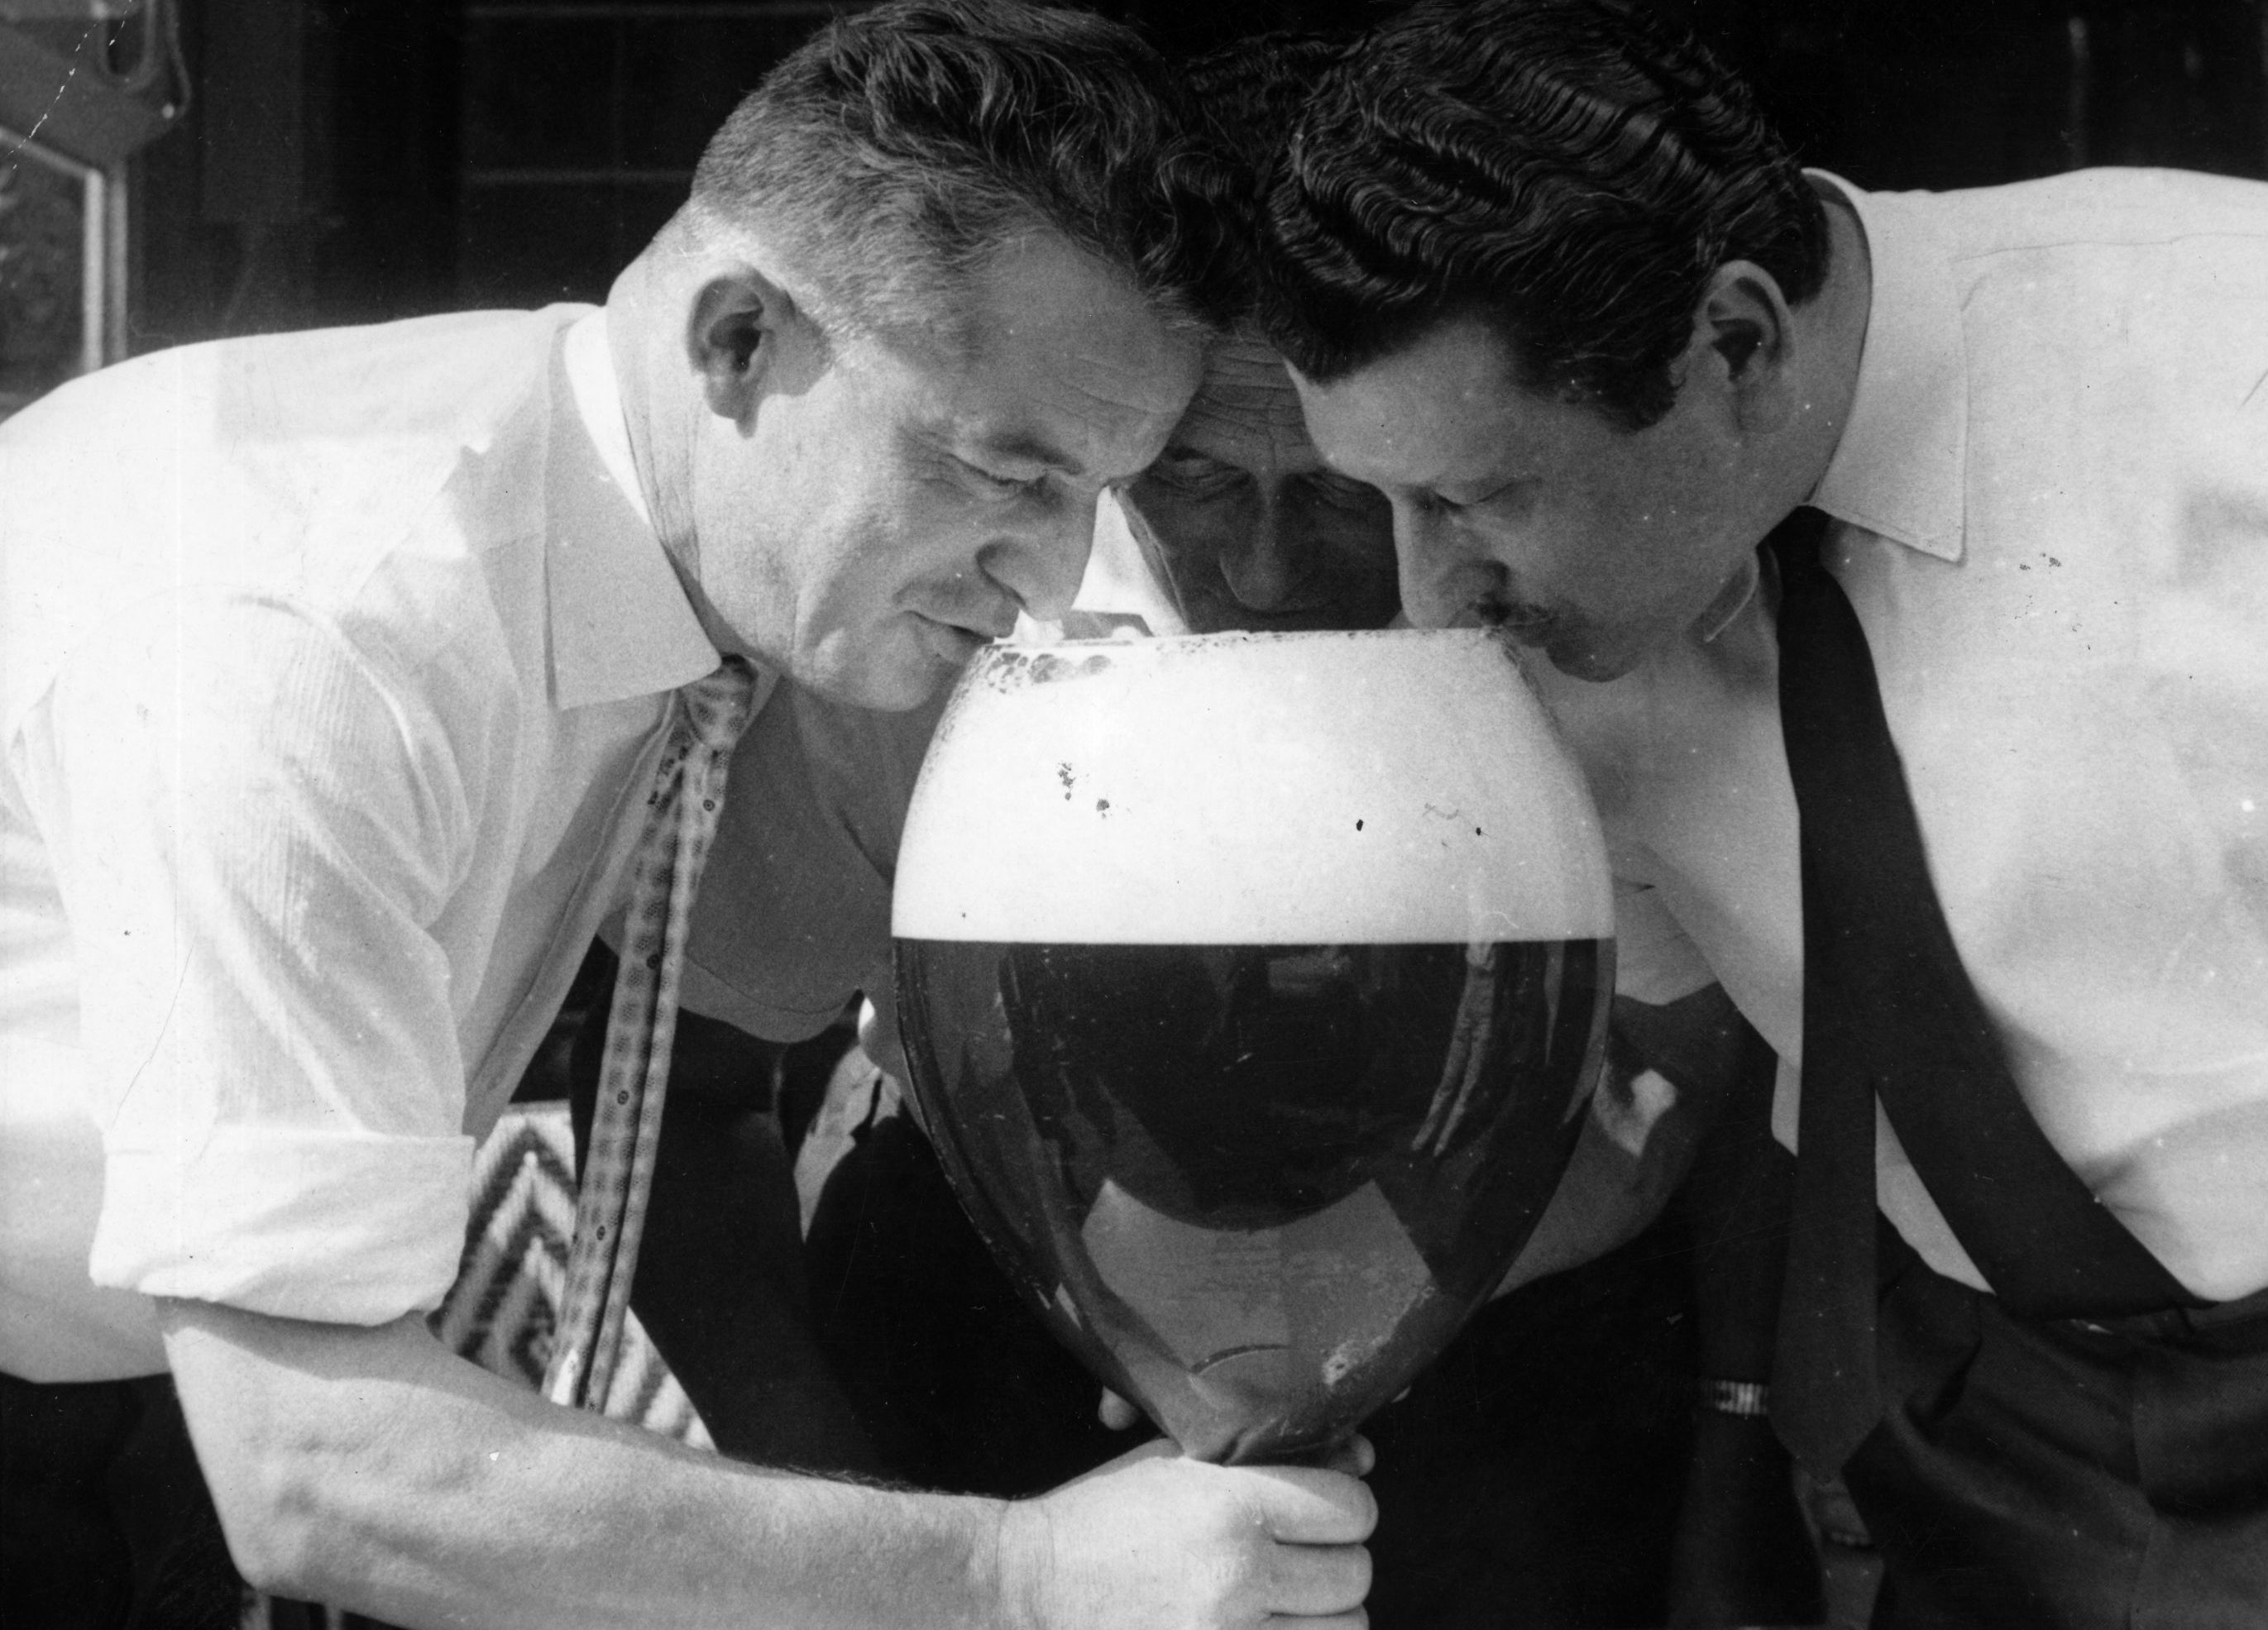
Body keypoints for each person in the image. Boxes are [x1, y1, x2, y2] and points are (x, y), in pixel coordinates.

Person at [1252, 2, 2268, 1625]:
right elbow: (1642, 1085)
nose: (1428, 598)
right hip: (2020, 1450)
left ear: (1736, 343)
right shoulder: (1543, 629)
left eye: (1479, 497)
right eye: (1375, 500)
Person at [0, 5, 1383, 1627]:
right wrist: (1023, 1574)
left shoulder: (639, 545)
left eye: (1098, 491)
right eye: (1004, 472)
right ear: (738, 340)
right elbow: (320, 1466)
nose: (1052, 577)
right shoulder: (320, 620)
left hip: (164, 1375)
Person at [663, 32, 1823, 1628]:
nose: (1272, 568)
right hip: (1001, 1342)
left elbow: (1718, 1081)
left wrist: (1320, 1332)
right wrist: (858, 1541)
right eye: (1199, 480)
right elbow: (686, 1098)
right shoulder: (930, 638)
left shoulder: (1596, 604)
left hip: (1510, 1362)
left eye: (1348, 492)